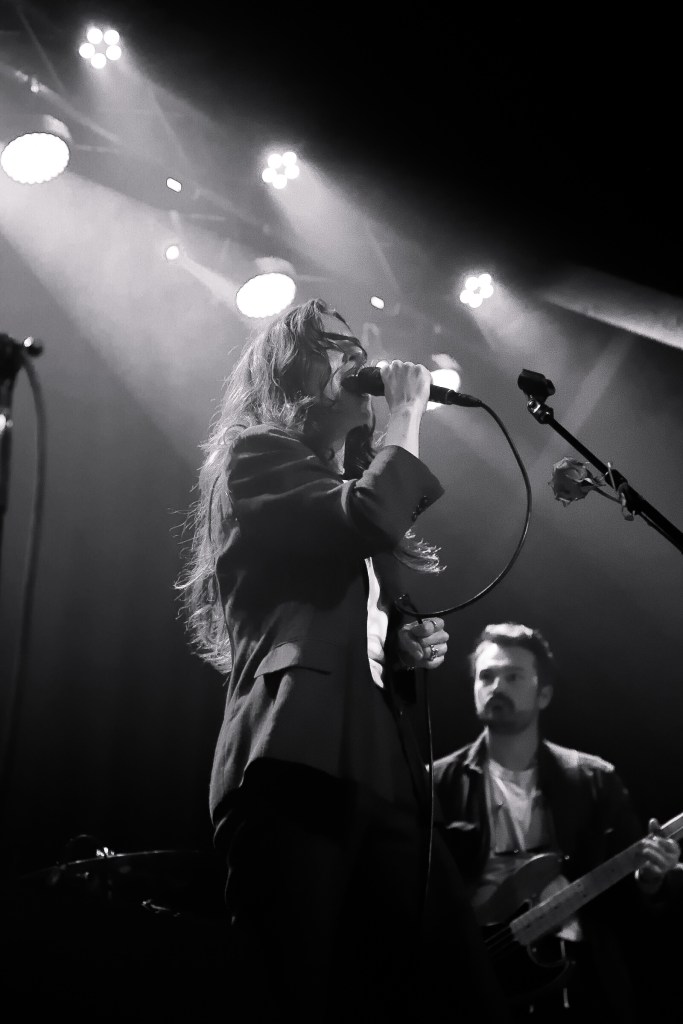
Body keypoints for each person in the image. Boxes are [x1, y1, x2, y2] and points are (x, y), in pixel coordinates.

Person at [178, 298, 509, 1023]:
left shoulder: (344, 495)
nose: (358, 360)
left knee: (452, 991)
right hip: (294, 755)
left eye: (359, 347)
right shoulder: (256, 457)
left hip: (381, 768)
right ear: (289, 370)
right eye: (335, 347)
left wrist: (402, 646)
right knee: (296, 993)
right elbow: (365, 518)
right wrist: (407, 414)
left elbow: (358, 602)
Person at [432, 622, 682, 1022]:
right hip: (475, 982)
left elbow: (631, 907)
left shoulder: (594, 779)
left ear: (544, 694)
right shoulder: (437, 783)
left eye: (513, 676)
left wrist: (650, 880)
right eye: (486, 676)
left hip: (578, 981)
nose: (496, 687)